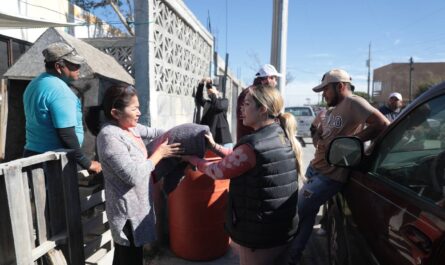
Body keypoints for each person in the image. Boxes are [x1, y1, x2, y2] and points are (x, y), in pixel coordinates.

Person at [184, 84, 302, 265]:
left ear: (262, 109)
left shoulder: (254, 144)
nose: (241, 108)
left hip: (259, 235)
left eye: (246, 104)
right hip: (279, 228)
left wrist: (191, 159)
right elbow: (242, 160)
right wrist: (215, 147)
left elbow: (218, 171)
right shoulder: (279, 134)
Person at [288, 69, 390, 264]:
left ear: (340, 86)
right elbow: (325, 135)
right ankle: (293, 255)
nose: (323, 94)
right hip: (316, 170)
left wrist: (352, 142)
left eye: (326, 89)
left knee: (296, 212)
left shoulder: (354, 102)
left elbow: (382, 124)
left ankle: (287, 254)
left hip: (329, 177)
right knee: (307, 214)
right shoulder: (334, 108)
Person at [96, 85, 182, 265]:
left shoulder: (132, 128)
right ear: (116, 112)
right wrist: (159, 154)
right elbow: (132, 176)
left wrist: (179, 134)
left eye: (139, 107)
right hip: (126, 213)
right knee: (129, 257)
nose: (139, 112)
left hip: (139, 206)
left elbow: (156, 132)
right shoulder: (109, 136)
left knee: (124, 257)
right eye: (134, 108)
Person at [23, 42, 101, 173]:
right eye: (74, 65)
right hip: (52, 161)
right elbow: (66, 134)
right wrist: (86, 163)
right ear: (59, 66)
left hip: (32, 155)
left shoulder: (35, 83)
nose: (79, 68)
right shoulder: (60, 91)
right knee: (56, 194)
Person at [236, 64, 282, 141]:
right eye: (275, 79)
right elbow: (244, 117)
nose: (276, 83)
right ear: (268, 78)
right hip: (251, 142)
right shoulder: (250, 94)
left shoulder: (262, 93)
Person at [195, 77, 233, 147]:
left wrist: (213, 94)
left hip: (223, 141)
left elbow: (218, 106)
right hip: (210, 140)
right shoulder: (208, 104)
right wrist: (202, 83)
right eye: (209, 91)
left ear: (218, 92)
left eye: (212, 90)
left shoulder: (224, 101)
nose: (210, 91)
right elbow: (198, 98)